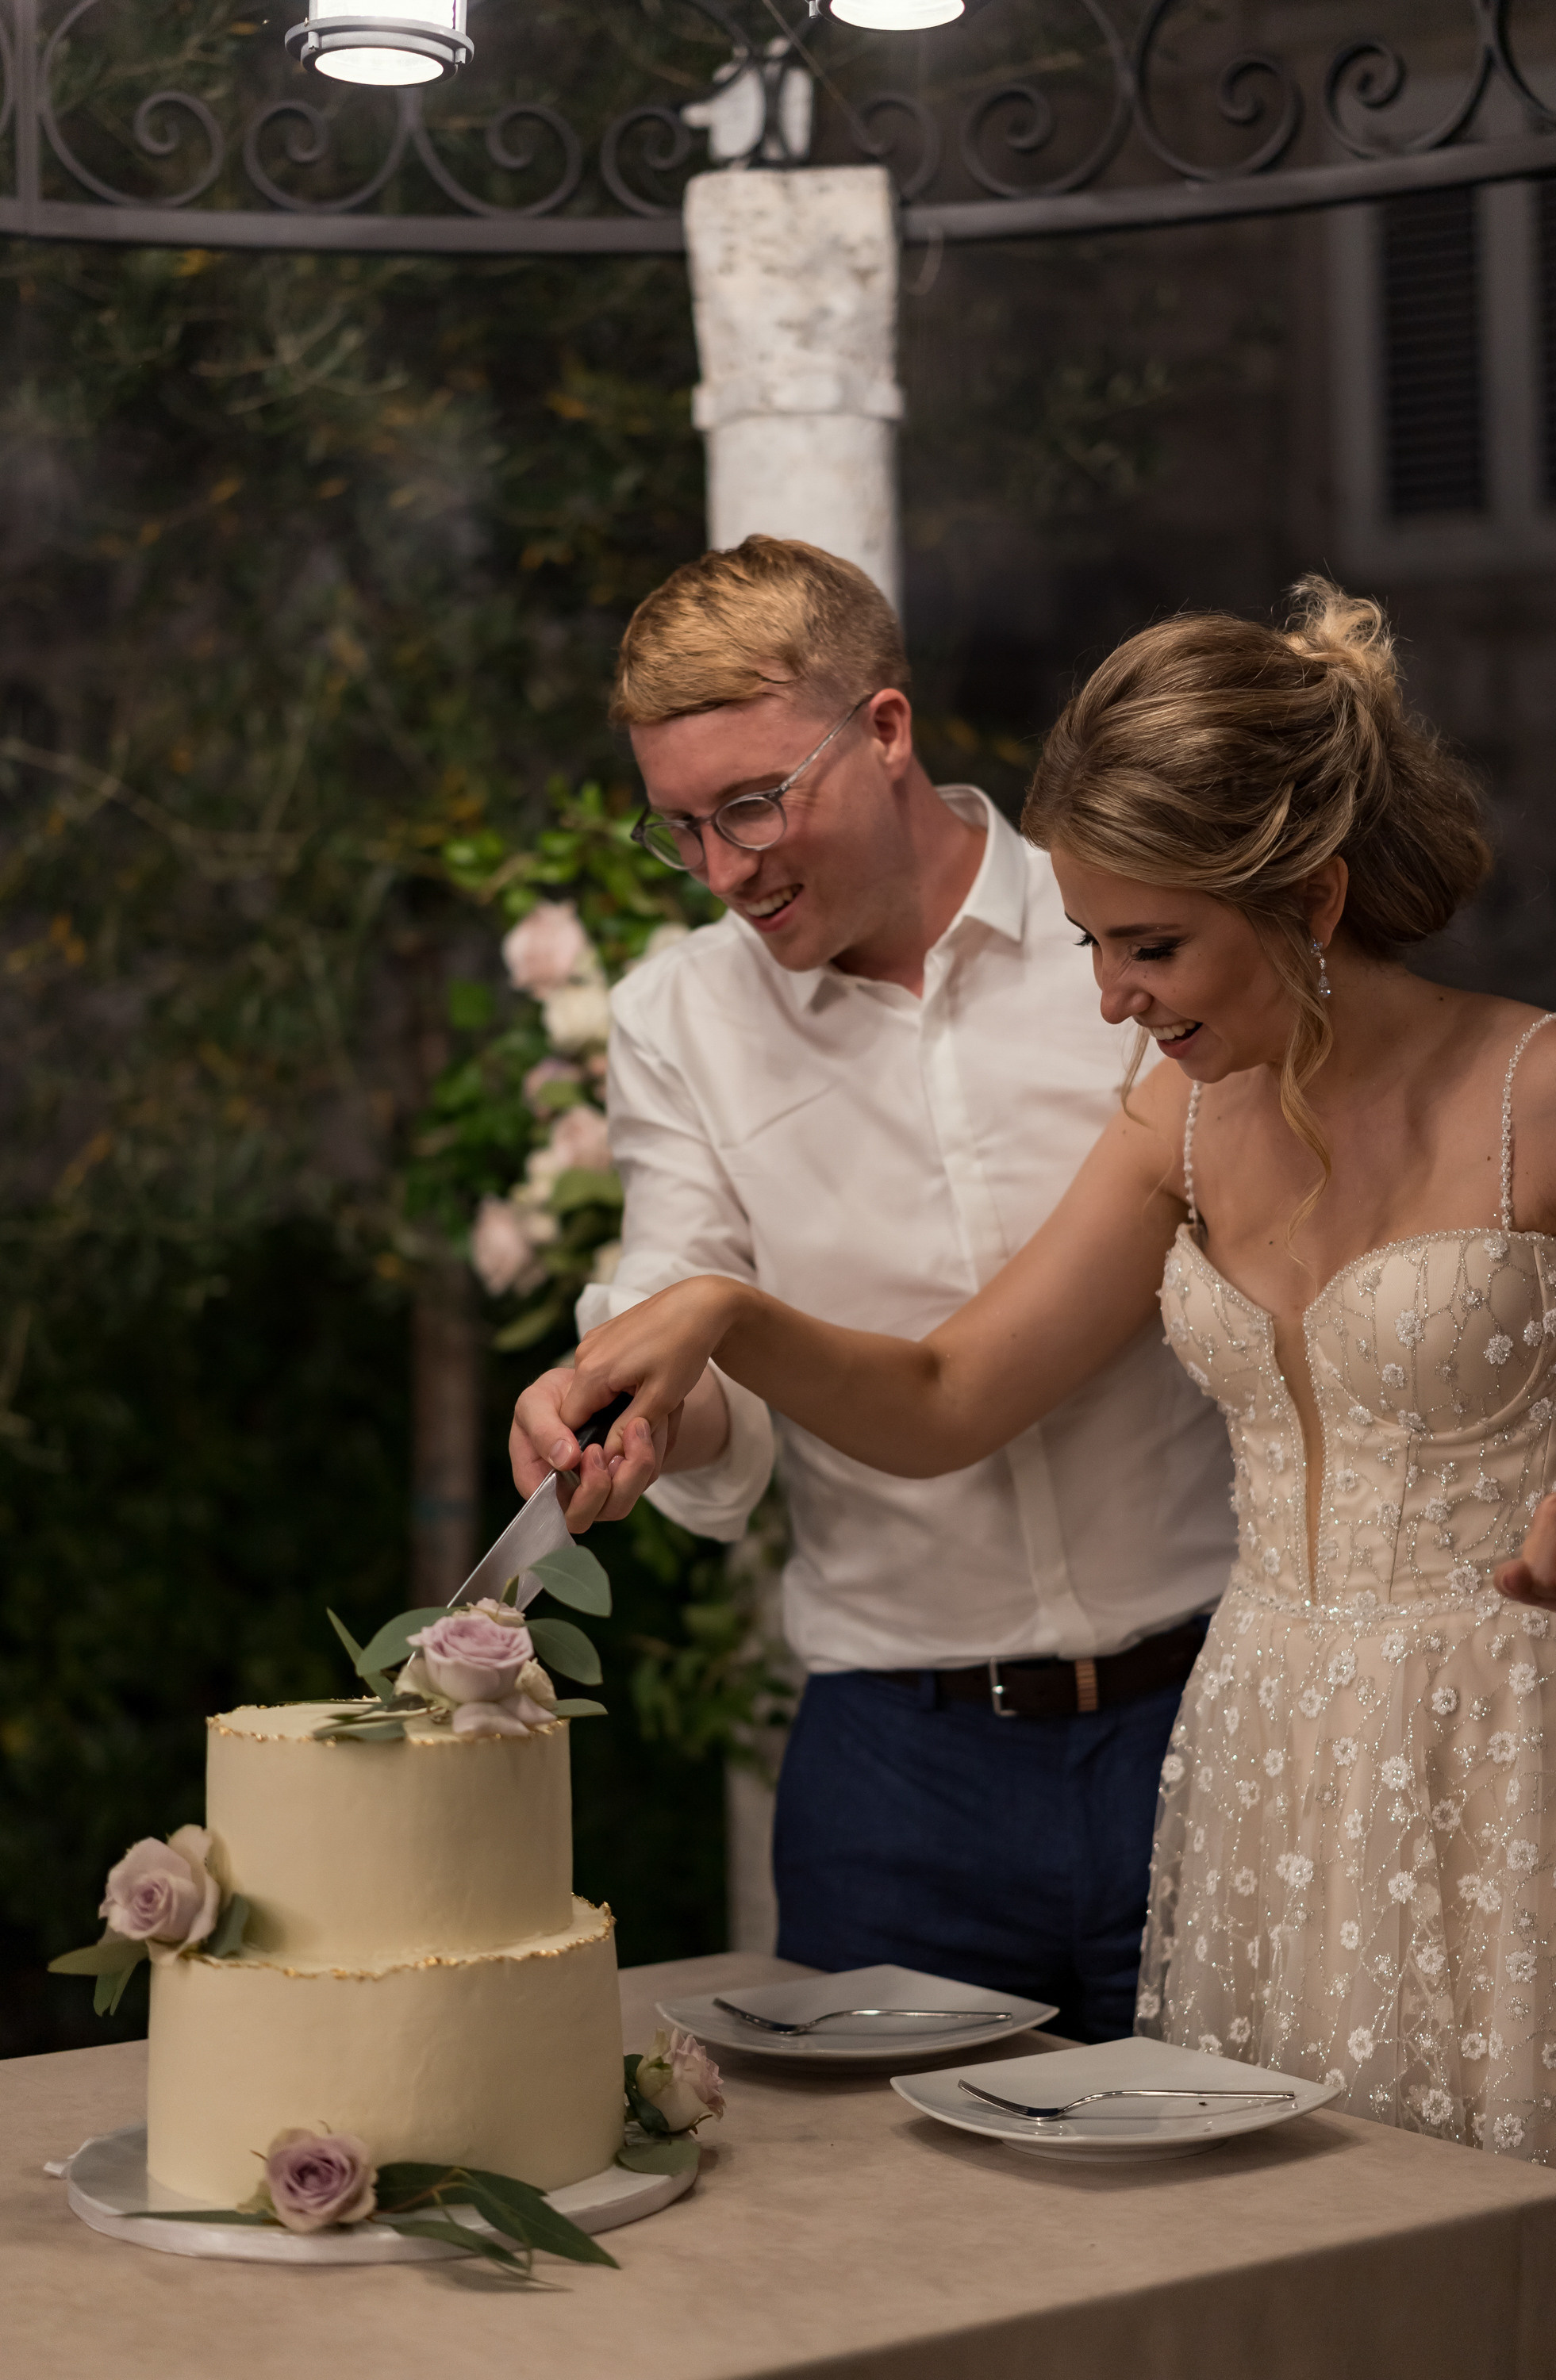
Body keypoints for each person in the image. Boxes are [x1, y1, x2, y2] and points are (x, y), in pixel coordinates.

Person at [529, 578, 1556, 2167]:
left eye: (1147, 946)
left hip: (1506, 1752)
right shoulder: (1175, 1111)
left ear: (1307, 897)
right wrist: (714, 1320)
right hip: (1245, 1775)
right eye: (1092, 945)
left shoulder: (1546, 1085)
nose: (1108, 996)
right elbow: (950, 1397)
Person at [511, 535, 1237, 2041]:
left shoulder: (1130, 943)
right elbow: (688, 1324)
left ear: (887, 729)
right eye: (681, 831)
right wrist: (646, 1412)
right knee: (901, 2259)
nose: (724, 872)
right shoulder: (677, 1021)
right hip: (899, 1780)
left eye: (754, 803)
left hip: (1223, 1707)